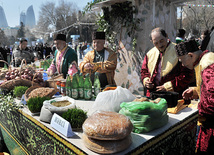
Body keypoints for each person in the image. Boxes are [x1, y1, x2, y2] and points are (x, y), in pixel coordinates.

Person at [175, 39, 214, 154]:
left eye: (182, 61)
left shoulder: (208, 66)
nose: (182, 65)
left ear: (191, 55)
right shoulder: (205, 59)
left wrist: (195, 110)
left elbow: (211, 102)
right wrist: (195, 91)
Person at [141, 27, 194, 98]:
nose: (160, 45)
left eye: (161, 41)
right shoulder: (150, 54)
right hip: (153, 96)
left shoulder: (179, 50)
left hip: (174, 96)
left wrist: (169, 86)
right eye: (156, 43)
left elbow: (187, 74)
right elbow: (144, 72)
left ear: (166, 36)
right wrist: (146, 81)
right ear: (152, 42)